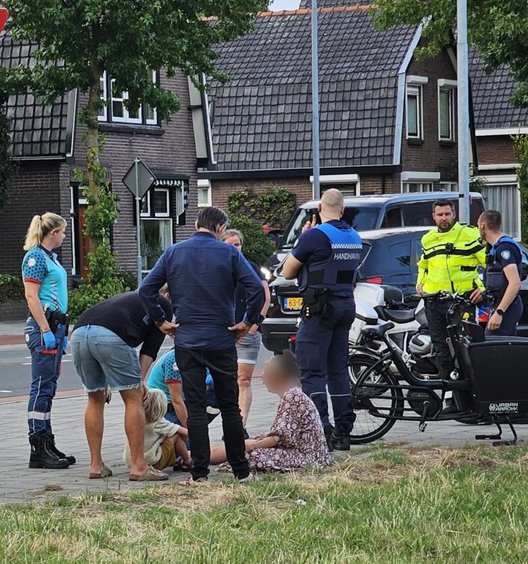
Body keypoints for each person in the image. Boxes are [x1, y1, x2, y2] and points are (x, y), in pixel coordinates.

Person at [140, 206, 265, 483]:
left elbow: (146, 289)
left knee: (194, 407)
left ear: (196, 224)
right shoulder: (230, 253)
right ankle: (241, 471)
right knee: (230, 406)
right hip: (222, 338)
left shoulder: (173, 252)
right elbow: (256, 288)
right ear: (221, 229)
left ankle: (199, 473)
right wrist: (247, 322)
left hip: (187, 340)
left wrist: (161, 322)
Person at [280, 187, 363, 452]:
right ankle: (343, 431)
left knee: (313, 371)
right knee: (338, 369)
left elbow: (288, 271)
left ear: (319, 210)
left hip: (318, 309)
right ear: (343, 209)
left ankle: (321, 431)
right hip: (346, 305)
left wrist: (302, 239)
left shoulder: (314, 236)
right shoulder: (353, 236)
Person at [71, 288, 177, 480]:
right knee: (133, 399)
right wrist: (140, 382)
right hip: (110, 336)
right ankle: (139, 467)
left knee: (95, 398)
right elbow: (150, 349)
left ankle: (96, 465)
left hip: (79, 333)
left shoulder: (129, 297)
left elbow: (102, 327)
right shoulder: (163, 304)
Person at [203, 352, 330, 472]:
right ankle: (194, 456)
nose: (263, 379)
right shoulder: (294, 394)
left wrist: (253, 446)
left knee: (248, 452)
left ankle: (193, 457)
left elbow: (279, 438)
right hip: (309, 453)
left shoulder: (292, 397)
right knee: (242, 445)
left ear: (277, 377)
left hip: (307, 457)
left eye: (266, 374)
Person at [415, 198, 486, 382]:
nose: (444, 218)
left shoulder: (469, 234)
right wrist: (420, 282)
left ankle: (469, 392)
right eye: (440, 215)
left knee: (463, 348)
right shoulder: (428, 239)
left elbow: (489, 263)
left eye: (447, 214)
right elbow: (423, 265)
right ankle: (450, 393)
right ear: (433, 216)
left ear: (454, 214)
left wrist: (482, 289)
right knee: (441, 348)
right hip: (433, 302)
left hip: (460, 302)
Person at [21, 212, 71, 469]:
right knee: (41, 387)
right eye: (62, 231)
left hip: (56, 327)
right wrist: (45, 330)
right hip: (45, 328)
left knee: (48, 387)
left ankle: (47, 441)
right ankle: (37, 447)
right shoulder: (35, 258)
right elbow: (32, 297)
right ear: (53, 233)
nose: (64, 235)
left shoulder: (51, 258)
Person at [222, 227, 271, 427]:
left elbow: (265, 296)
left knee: (243, 380)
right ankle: (228, 422)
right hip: (223, 332)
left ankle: (240, 426)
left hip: (247, 331)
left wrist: (254, 324)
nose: (235, 248)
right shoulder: (218, 267)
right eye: (230, 245)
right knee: (225, 381)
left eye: (237, 245)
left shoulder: (250, 266)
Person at [472, 209, 523, 338]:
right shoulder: (494, 248)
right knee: (508, 351)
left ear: (483, 225)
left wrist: (499, 312)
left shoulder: (504, 249)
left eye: (478, 225)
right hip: (501, 305)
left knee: (491, 348)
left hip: (507, 307)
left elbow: (514, 283)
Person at [125, 388, 188, 472]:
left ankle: (176, 459)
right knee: (176, 435)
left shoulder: (135, 421)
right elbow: (185, 432)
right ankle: (187, 461)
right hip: (152, 462)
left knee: (167, 436)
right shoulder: (159, 422)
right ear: (162, 406)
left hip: (131, 461)